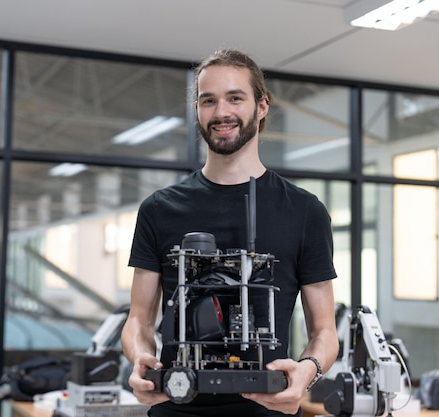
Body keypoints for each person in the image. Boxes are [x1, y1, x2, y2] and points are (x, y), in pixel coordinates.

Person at [120, 48, 340, 417]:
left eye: (235, 98)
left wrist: (309, 371)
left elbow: (324, 332)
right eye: (209, 101)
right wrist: (141, 357)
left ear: (262, 105)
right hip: (176, 407)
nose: (221, 112)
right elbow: (138, 320)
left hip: (269, 411)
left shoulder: (304, 211)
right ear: (197, 110)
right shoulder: (159, 209)